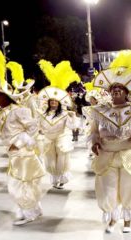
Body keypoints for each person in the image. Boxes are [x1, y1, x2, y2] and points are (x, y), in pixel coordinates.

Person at [0, 38, 45, 226]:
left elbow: (33, 127)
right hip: (13, 153)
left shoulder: (19, 110)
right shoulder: (1, 112)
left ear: (5, 96)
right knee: (23, 182)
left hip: (22, 152)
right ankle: (33, 209)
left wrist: (20, 142)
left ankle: (28, 212)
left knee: (19, 183)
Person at [88, 48, 131, 233]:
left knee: (130, 187)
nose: (116, 91)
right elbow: (93, 131)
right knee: (107, 188)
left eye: (120, 89)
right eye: (113, 89)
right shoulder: (101, 110)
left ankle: (127, 220)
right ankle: (112, 217)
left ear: (127, 93)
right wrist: (94, 142)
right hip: (106, 154)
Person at [37, 59, 80, 189]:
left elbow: (73, 127)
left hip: (62, 138)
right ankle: (54, 180)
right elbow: (39, 126)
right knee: (50, 161)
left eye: (56, 101)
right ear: (49, 102)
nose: (54, 103)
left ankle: (62, 179)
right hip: (48, 139)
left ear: (59, 103)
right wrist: (39, 132)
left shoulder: (65, 113)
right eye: (52, 101)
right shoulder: (43, 114)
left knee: (61, 160)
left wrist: (73, 117)